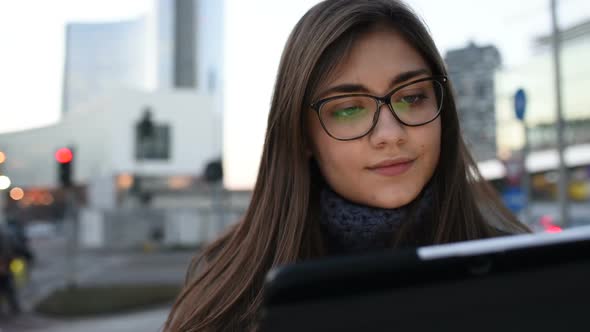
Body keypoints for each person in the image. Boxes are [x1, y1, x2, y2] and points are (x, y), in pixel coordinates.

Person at [164, 0, 530, 330]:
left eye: (413, 97)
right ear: (302, 136)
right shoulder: (229, 299)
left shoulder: (527, 275)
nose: (390, 133)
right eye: (349, 108)